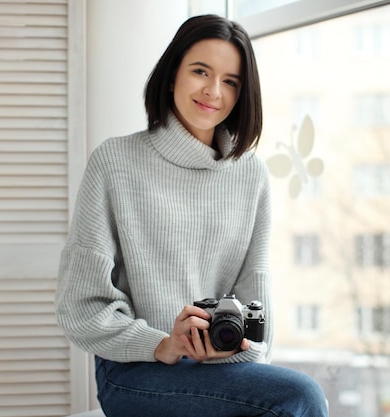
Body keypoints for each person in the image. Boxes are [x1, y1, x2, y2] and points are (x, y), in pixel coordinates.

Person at [55, 14, 329, 417]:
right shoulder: (115, 162)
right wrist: (164, 343)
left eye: (231, 81)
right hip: (135, 370)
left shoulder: (251, 175)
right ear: (171, 75)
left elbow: (256, 305)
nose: (213, 91)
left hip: (217, 368)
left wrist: (233, 347)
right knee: (299, 397)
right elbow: (81, 306)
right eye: (201, 71)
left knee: (291, 397)